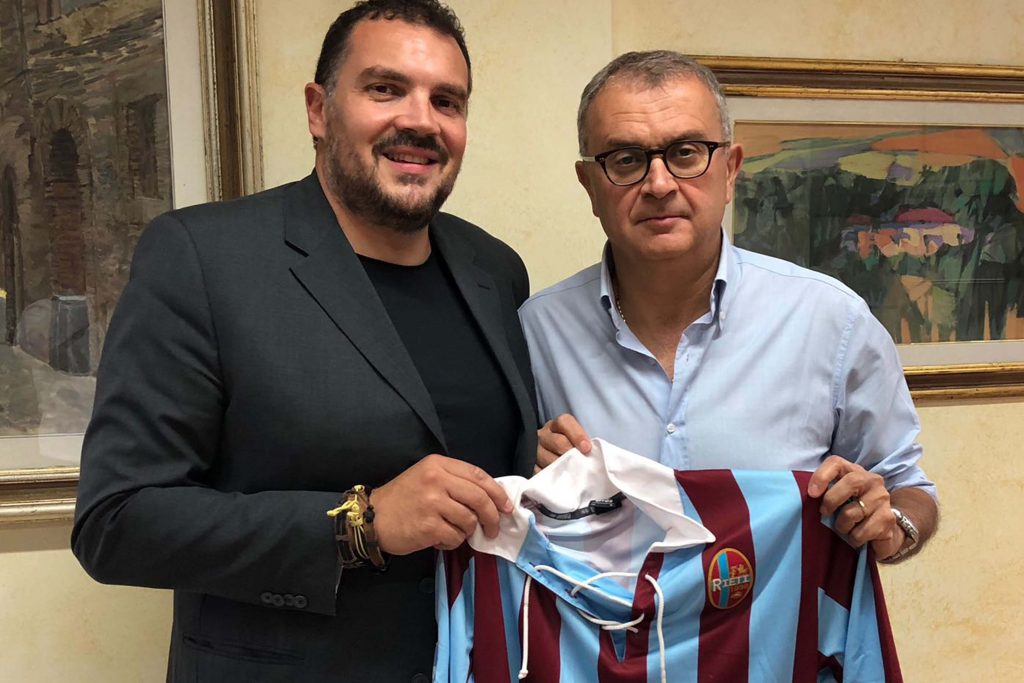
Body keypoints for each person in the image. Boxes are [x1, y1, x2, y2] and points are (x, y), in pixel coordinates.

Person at [71, 1, 537, 680]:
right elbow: (115, 523)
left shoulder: (495, 269)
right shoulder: (202, 257)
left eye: (447, 101)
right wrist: (359, 524)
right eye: (385, 89)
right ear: (319, 110)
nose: (420, 120)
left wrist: (538, 461)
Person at [519, 50, 937, 566]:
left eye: (686, 153)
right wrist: (525, 469)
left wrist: (892, 523)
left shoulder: (832, 322)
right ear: (590, 185)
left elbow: (908, 488)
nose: (659, 184)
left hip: (777, 622)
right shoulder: (536, 333)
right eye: (625, 160)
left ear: (731, 169)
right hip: (600, 620)